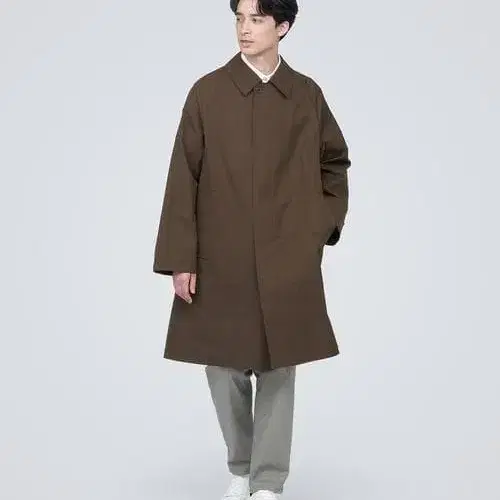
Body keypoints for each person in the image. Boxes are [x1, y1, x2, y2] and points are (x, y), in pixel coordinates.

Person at [152, 0, 351, 498]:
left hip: (288, 256)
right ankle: (241, 466)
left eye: (257, 19)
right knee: (222, 365)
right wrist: (180, 258)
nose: (244, 28)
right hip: (221, 255)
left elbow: (334, 162)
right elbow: (183, 176)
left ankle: (267, 482)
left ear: (283, 27)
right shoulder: (208, 93)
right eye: (239, 18)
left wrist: (319, 226)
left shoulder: (305, 95)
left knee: (279, 365)